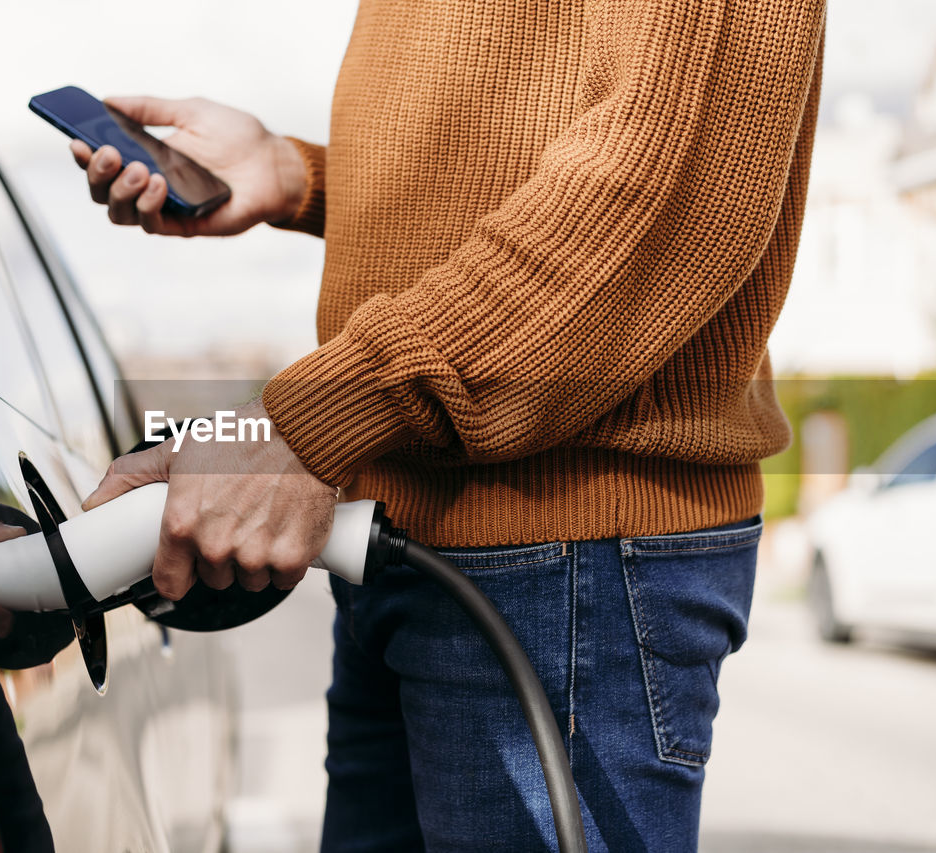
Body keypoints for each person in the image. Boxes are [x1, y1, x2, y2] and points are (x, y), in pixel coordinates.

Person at [71, 2, 826, 850]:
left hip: (566, 556)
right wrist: (300, 176)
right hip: (409, 526)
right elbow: (508, 137)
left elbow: (663, 192)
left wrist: (313, 421)